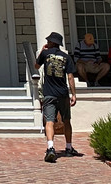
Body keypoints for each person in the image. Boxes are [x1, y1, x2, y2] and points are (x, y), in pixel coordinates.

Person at [35, 31, 81, 163]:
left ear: (52, 43)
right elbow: (70, 77)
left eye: (49, 41)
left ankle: (50, 148)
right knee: (67, 120)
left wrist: (42, 52)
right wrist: (73, 94)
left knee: (50, 121)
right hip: (63, 94)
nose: (47, 43)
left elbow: (36, 66)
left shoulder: (45, 54)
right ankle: (68, 147)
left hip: (49, 94)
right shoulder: (66, 57)